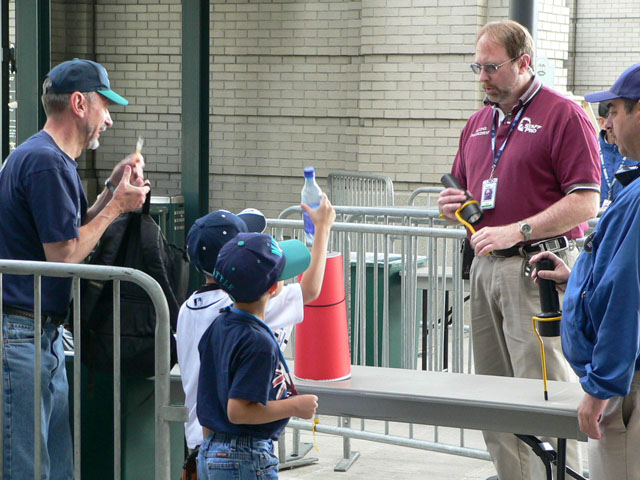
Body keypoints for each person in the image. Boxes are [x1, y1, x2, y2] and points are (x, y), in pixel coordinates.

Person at [437, 20, 600, 480]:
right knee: (493, 394)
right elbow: (467, 194)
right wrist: (454, 206)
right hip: (485, 267)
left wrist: (517, 230)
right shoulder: (477, 122)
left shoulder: (564, 114)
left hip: (536, 270)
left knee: (542, 391)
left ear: (524, 62)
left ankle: (559, 476)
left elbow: (587, 199)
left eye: (492, 67)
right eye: (478, 67)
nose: (482, 77)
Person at [0, 59, 149, 479]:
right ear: (80, 103)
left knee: (53, 466)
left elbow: (72, 232)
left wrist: (109, 191)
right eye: (105, 105)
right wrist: (119, 205)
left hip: (36, 334)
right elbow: (64, 255)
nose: (110, 119)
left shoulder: (44, 157)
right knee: (29, 468)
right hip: (22, 335)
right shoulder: (46, 162)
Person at [530, 63, 640, 480]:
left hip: (627, 387)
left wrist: (600, 389)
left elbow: (626, 296)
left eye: (613, 110)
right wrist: (575, 279)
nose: (607, 124)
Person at [176, 195, 335, 453]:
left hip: (201, 438)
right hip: (236, 442)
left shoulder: (187, 309)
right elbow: (311, 289)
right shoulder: (245, 308)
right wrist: (323, 229)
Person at [196, 232, 319, 479]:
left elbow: (209, 403)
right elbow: (238, 411)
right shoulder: (258, 342)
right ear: (273, 288)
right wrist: (295, 406)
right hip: (244, 455)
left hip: (212, 450)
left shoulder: (218, 325)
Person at [596, 101, 639, 211]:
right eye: (609, 115)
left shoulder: (634, 152)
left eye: (614, 114)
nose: (610, 124)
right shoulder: (590, 151)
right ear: (602, 122)